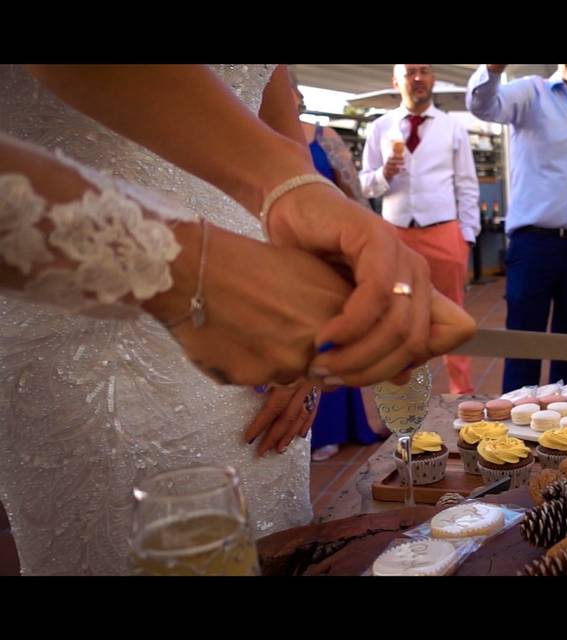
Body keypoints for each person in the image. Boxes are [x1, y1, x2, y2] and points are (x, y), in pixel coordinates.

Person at [0, 64, 475, 575]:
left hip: (268, 305)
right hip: (86, 326)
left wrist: (295, 200)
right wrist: (184, 266)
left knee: (271, 535)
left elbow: (278, 144)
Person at [466, 64, 567, 393]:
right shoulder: (531, 93)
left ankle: (564, 437)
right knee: (523, 345)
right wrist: (492, 70)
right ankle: (515, 436)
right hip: (533, 244)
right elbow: (483, 106)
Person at [361, 64, 480, 395]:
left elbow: (467, 185)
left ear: (433, 79)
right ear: (396, 80)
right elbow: (363, 185)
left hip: (444, 231)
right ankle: (402, 400)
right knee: (397, 320)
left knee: (453, 319)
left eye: (424, 71)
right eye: (410, 71)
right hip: (396, 234)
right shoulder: (380, 127)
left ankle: (461, 396)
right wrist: (384, 174)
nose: (418, 78)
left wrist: (466, 237)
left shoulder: (452, 127)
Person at [292, 85, 385, 461]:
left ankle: (329, 429)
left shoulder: (322, 136)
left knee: (326, 337)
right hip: (273, 250)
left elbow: (355, 194)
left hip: (323, 252)